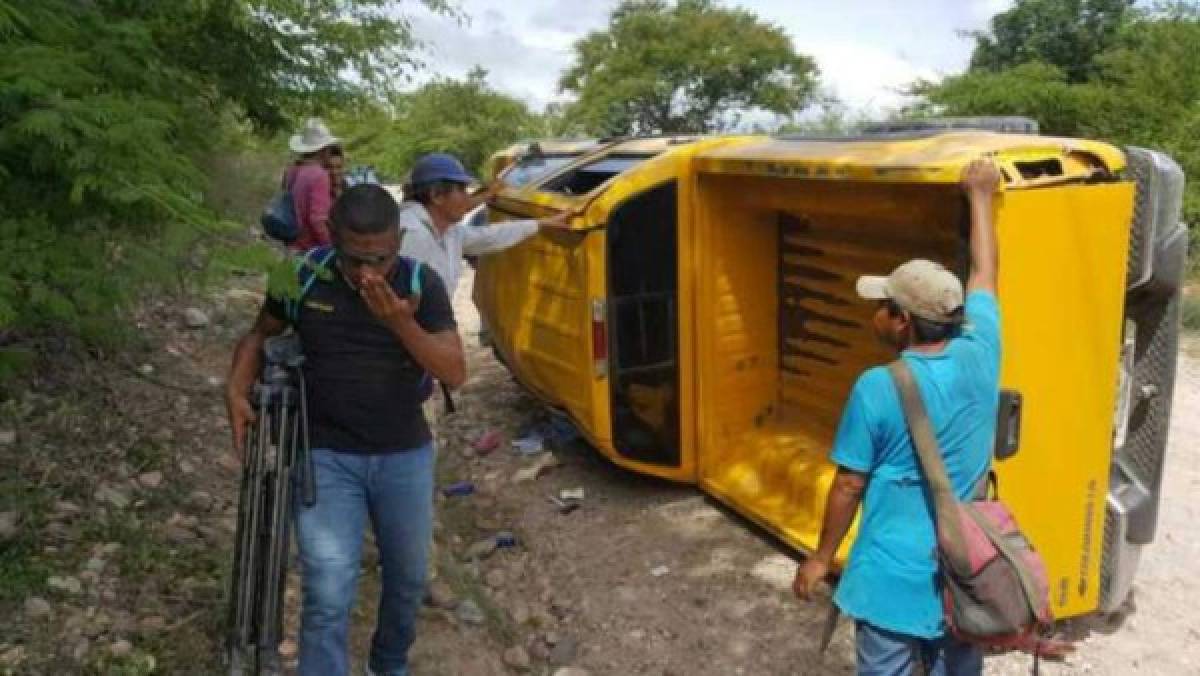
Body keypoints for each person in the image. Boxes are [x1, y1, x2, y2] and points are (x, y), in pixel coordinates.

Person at [224, 184, 466, 676]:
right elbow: (259, 334)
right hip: (324, 454)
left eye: (381, 257)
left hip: (404, 454)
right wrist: (236, 387)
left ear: (397, 240)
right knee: (329, 588)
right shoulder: (301, 275)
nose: (368, 273)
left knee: (407, 580)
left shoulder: (422, 283)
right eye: (355, 259)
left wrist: (401, 324)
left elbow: (455, 372)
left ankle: (388, 664)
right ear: (332, 236)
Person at [792, 159, 1003, 676]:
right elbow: (985, 272)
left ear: (902, 321)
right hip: (965, 573)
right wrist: (981, 196)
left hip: (893, 580)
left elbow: (849, 484)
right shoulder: (983, 348)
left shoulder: (879, 386)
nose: (877, 312)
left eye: (883, 304)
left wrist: (822, 557)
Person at [397, 152, 574, 299]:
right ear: (436, 196)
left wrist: (540, 224)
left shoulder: (448, 231)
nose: (468, 198)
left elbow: (491, 236)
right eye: (461, 190)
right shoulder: (412, 234)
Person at [285, 118, 340, 252]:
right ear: (323, 150)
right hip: (310, 248)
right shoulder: (319, 175)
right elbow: (318, 220)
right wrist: (332, 248)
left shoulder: (293, 170)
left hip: (293, 244)